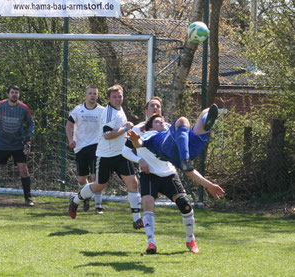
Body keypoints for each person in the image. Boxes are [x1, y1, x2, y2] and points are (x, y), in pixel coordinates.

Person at [122, 97, 212, 254]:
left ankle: (190, 239)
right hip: (149, 174)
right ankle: (151, 243)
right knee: (148, 204)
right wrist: (139, 159)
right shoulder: (139, 130)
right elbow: (128, 149)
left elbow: (188, 170)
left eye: (158, 106)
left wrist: (208, 184)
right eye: (152, 106)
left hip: (169, 173)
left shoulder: (168, 127)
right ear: (146, 111)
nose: (155, 108)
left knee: (185, 205)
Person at [68, 85, 144, 230]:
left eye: (120, 96)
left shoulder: (119, 108)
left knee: (133, 184)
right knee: (98, 186)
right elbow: (108, 135)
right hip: (106, 156)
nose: (117, 99)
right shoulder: (109, 113)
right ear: (108, 99)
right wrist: (126, 128)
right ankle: (76, 200)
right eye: (114, 97)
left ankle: (136, 220)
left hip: (121, 154)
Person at [127, 104, 225, 199]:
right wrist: (135, 140)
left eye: (162, 121)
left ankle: (206, 122)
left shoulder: (172, 132)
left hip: (186, 150)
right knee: (182, 120)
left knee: (205, 111)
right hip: (167, 148)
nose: (161, 122)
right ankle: (186, 158)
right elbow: (139, 144)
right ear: (150, 128)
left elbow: (190, 172)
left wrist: (209, 185)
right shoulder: (150, 134)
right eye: (157, 122)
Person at [0, 85, 35, 206]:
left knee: (23, 170)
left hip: (18, 144)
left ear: (19, 95)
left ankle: (28, 198)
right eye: (12, 92)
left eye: (16, 93)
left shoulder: (24, 108)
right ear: (7, 94)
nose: (14, 94)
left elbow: (31, 123)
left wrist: (28, 140)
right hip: (0, 144)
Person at [65, 85, 105, 214]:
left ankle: (98, 206)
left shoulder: (102, 111)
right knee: (82, 179)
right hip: (80, 147)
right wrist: (71, 139)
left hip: (96, 147)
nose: (92, 96)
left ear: (97, 96)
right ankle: (85, 196)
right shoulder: (78, 110)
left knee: (95, 177)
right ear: (85, 95)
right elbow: (69, 125)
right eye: (90, 93)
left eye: (95, 93)